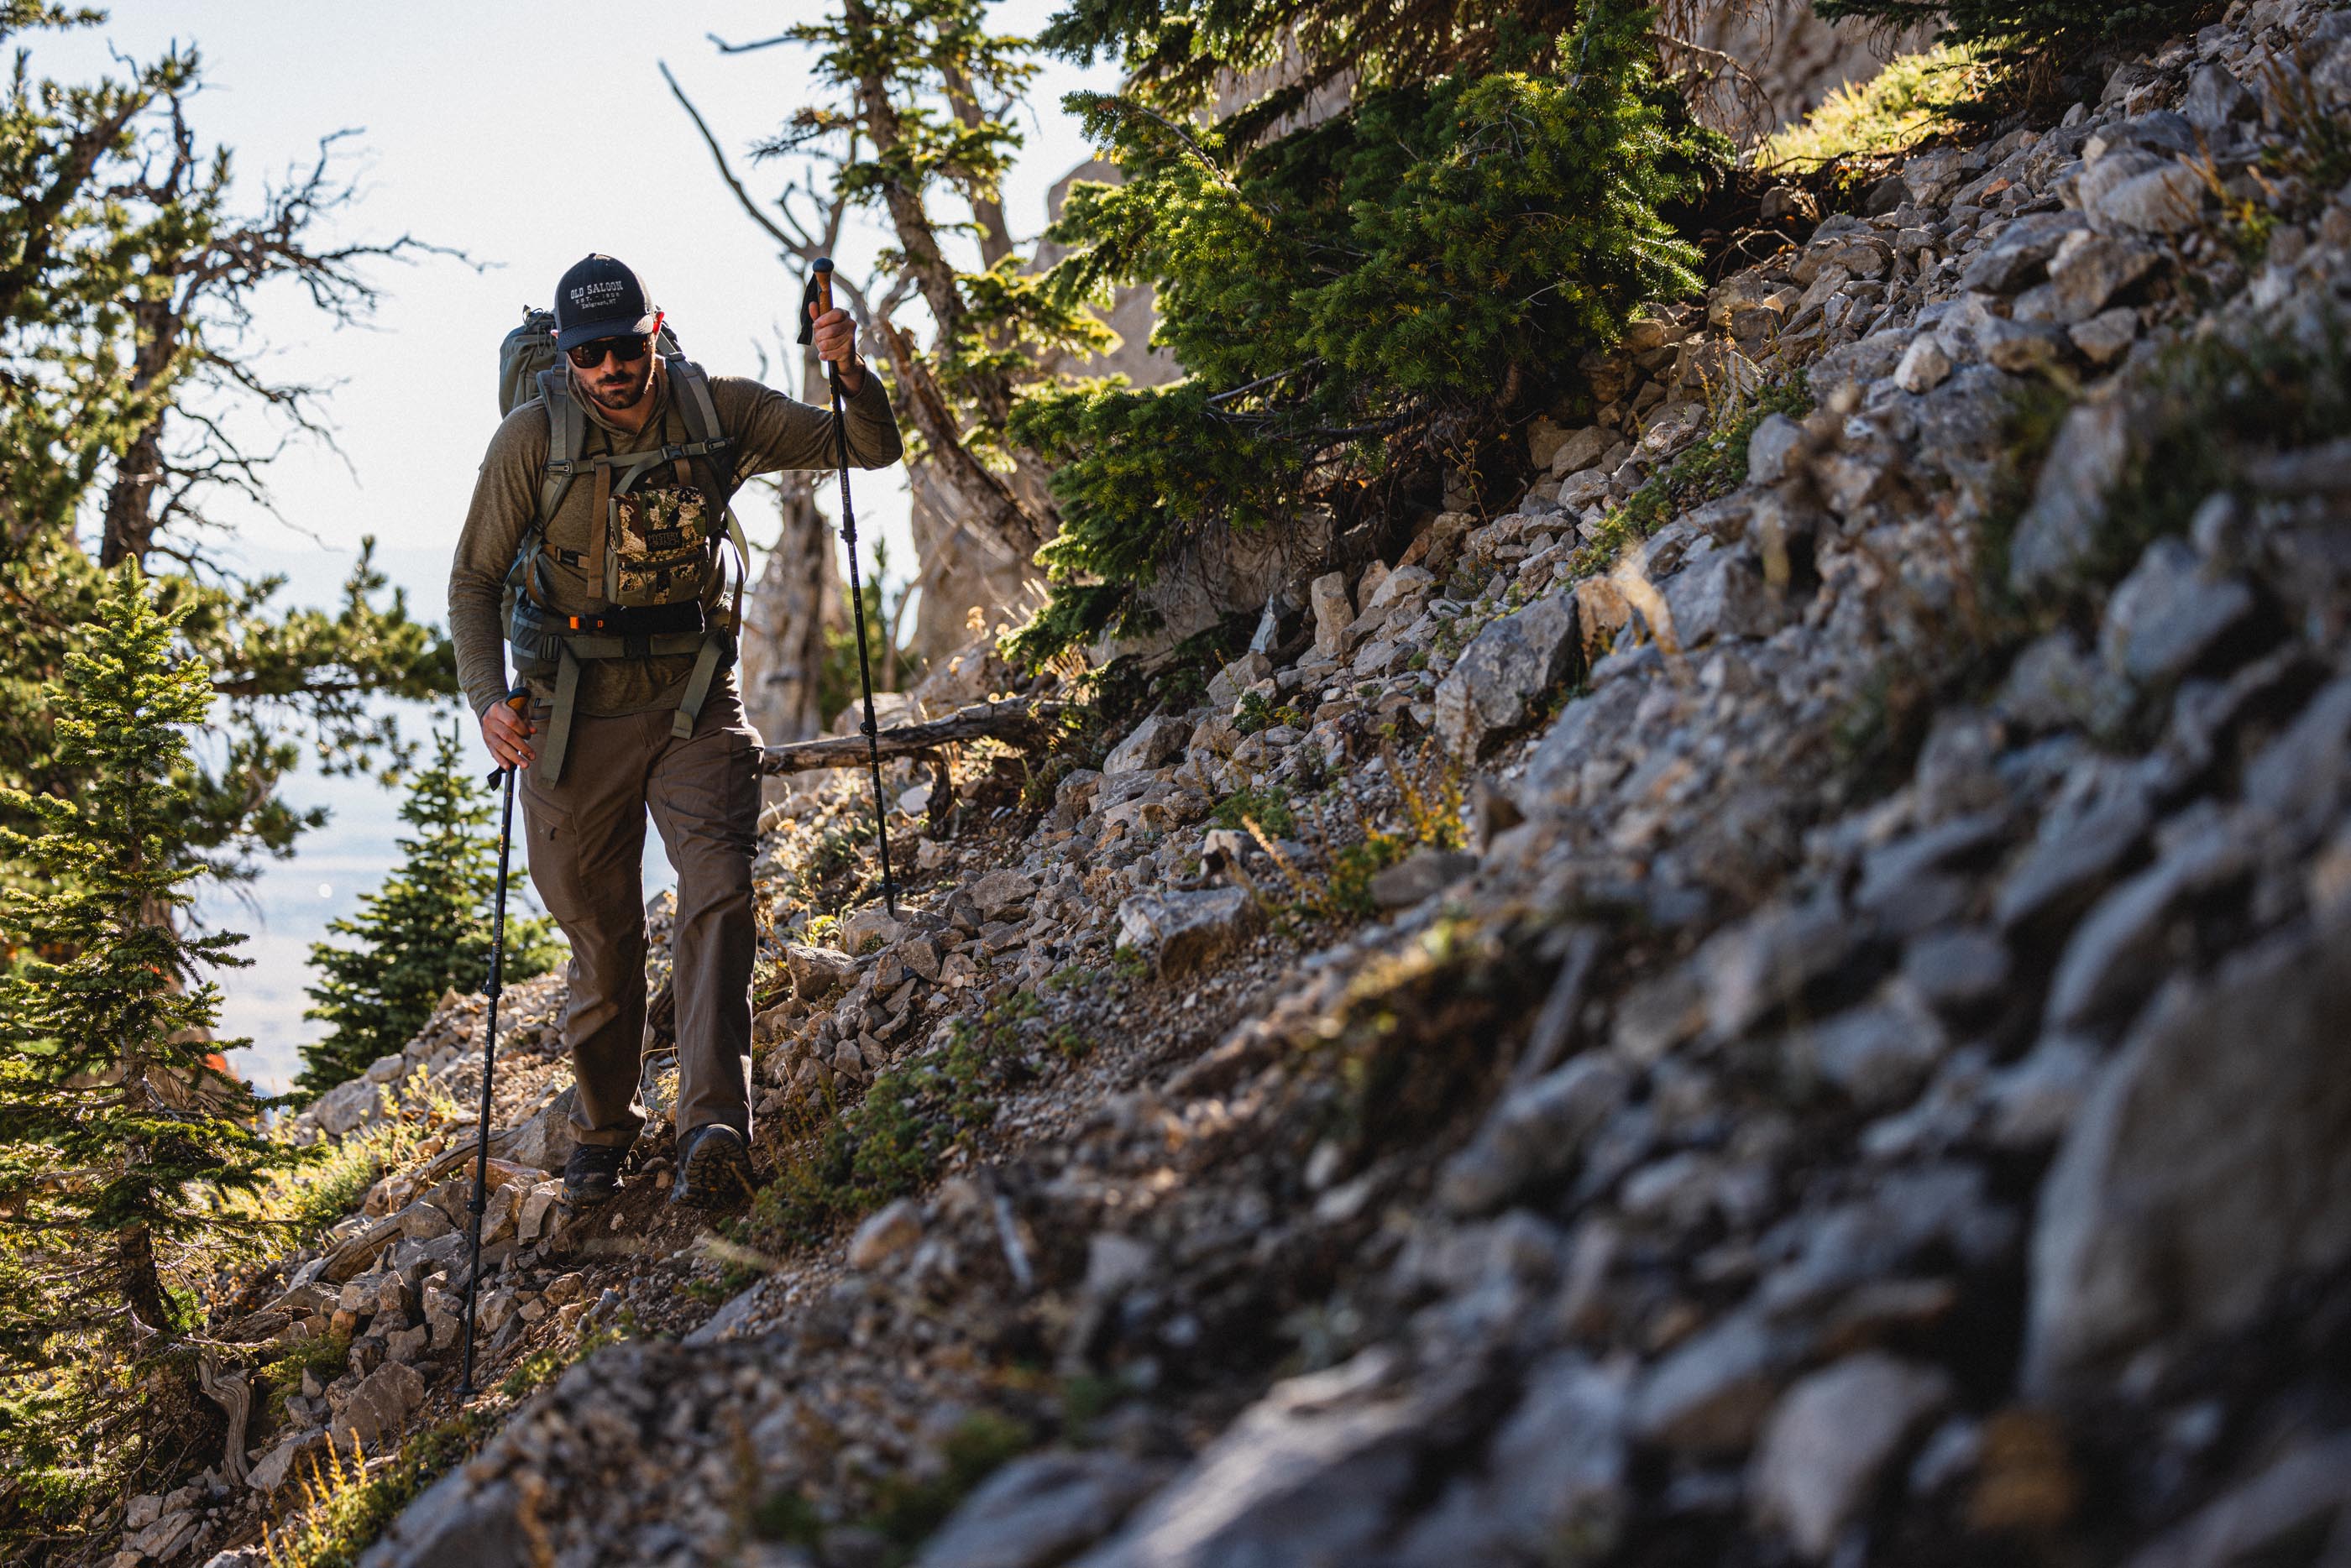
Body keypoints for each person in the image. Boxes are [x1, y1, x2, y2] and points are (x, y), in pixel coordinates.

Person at [448, 253, 903, 1208]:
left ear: (656, 331)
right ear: (566, 357)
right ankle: (605, 1129)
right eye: (589, 354)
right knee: (605, 942)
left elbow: (865, 449)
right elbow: (473, 583)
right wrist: (489, 698)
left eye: (624, 346)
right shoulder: (531, 441)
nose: (610, 367)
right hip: (569, 715)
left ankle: (712, 1126)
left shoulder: (718, 410)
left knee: (718, 892)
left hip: (694, 698)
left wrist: (848, 370)